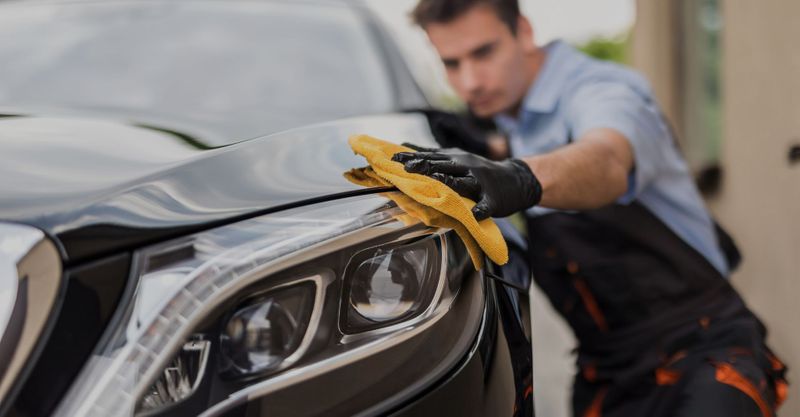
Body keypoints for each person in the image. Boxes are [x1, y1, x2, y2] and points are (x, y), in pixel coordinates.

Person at [393, 0, 789, 415]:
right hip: (607, 376)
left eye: (484, 52)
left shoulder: (602, 90)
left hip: (704, 354)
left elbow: (607, 159)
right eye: (452, 64)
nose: (470, 82)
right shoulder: (514, 121)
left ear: (524, 31)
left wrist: (520, 177)